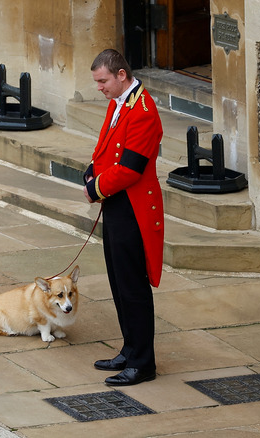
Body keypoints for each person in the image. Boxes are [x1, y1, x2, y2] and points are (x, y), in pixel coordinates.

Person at [83, 49, 164, 386]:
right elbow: (105, 151)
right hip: (116, 202)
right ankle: (130, 349)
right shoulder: (118, 103)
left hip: (133, 206)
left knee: (133, 286)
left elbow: (130, 168)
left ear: (120, 75)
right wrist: (90, 173)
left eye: (103, 81)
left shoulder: (143, 111)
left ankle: (143, 363)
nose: (99, 87)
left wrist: (94, 188)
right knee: (118, 280)